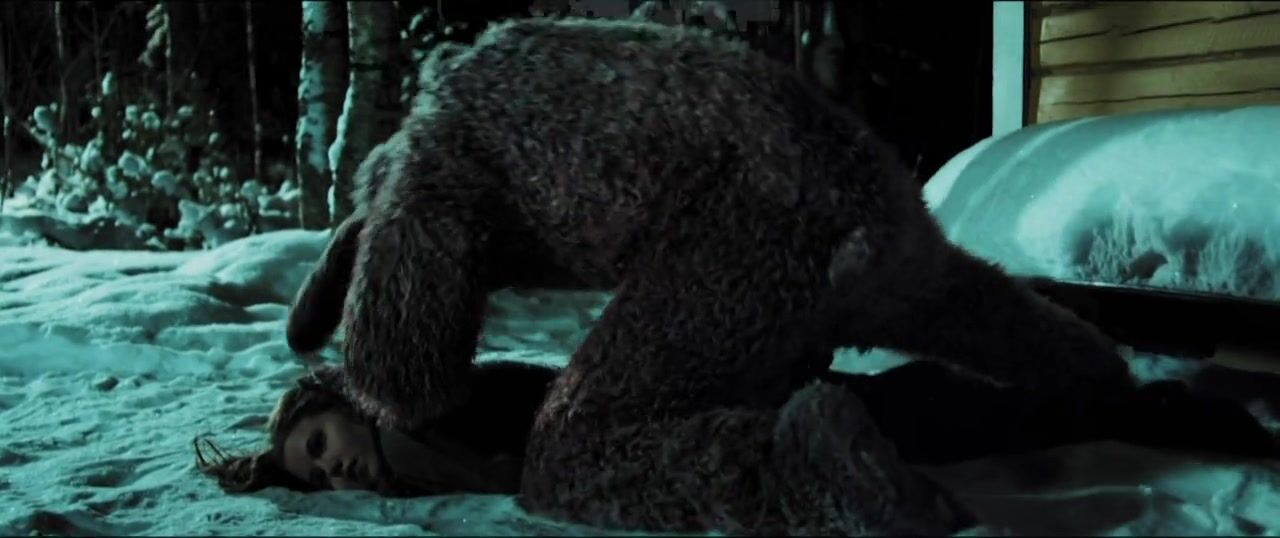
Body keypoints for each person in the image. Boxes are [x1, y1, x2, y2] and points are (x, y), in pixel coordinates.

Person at [196, 358, 1279, 497]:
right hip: (737, 430)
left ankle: (1199, 401)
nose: (336, 472)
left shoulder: (434, 412)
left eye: (323, 445)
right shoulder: (415, 467)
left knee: (962, 411)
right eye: (315, 474)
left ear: (354, 406)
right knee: (956, 423)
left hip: (716, 404)